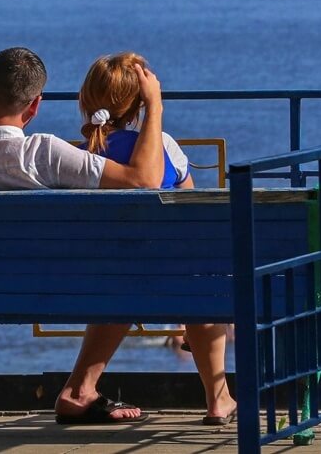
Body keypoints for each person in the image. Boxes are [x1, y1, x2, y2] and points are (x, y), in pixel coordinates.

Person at [0, 47, 170, 425]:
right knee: (127, 271)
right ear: (35, 104)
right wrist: (154, 106)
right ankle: (81, 388)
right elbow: (144, 180)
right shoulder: (45, 153)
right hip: (51, 290)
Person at [77, 52, 237, 425]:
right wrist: (156, 107)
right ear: (138, 106)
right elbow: (193, 217)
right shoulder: (163, 148)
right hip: (171, 282)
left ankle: (81, 385)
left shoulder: (75, 157)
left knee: (130, 273)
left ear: (86, 101)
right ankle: (218, 399)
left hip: (102, 282)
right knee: (203, 282)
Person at [79, 52, 192, 190]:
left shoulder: (74, 160)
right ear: (133, 113)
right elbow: (191, 200)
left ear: (84, 102)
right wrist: (154, 104)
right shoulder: (164, 146)